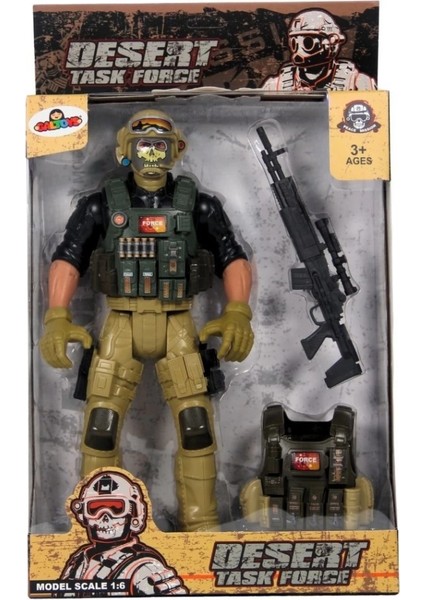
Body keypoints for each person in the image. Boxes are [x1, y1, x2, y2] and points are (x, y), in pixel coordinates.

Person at [40, 108, 254, 532]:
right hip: (120, 324)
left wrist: (237, 312)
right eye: (143, 145)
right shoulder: (101, 205)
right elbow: (68, 257)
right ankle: (96, 525)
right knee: (101, 427)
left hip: (179, 325)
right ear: (125, 150)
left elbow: (232, 256)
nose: (151, 154)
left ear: (177, 149)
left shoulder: (200, 205)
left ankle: (202, 524)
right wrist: (57, 317)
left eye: (160, 144)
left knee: (196, 426)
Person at [61, 470, 188, 595]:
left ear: (134, 513)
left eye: (116, 508)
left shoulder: (144, 568)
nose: (105, 517)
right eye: (94, 508)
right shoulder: (79, 560)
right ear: (83, 514)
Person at [261, 8, 376, 91]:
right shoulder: (275, 86)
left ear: (331, 42)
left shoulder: (357, 83)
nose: (299, 51)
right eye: (295, 43)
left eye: (308, 43)